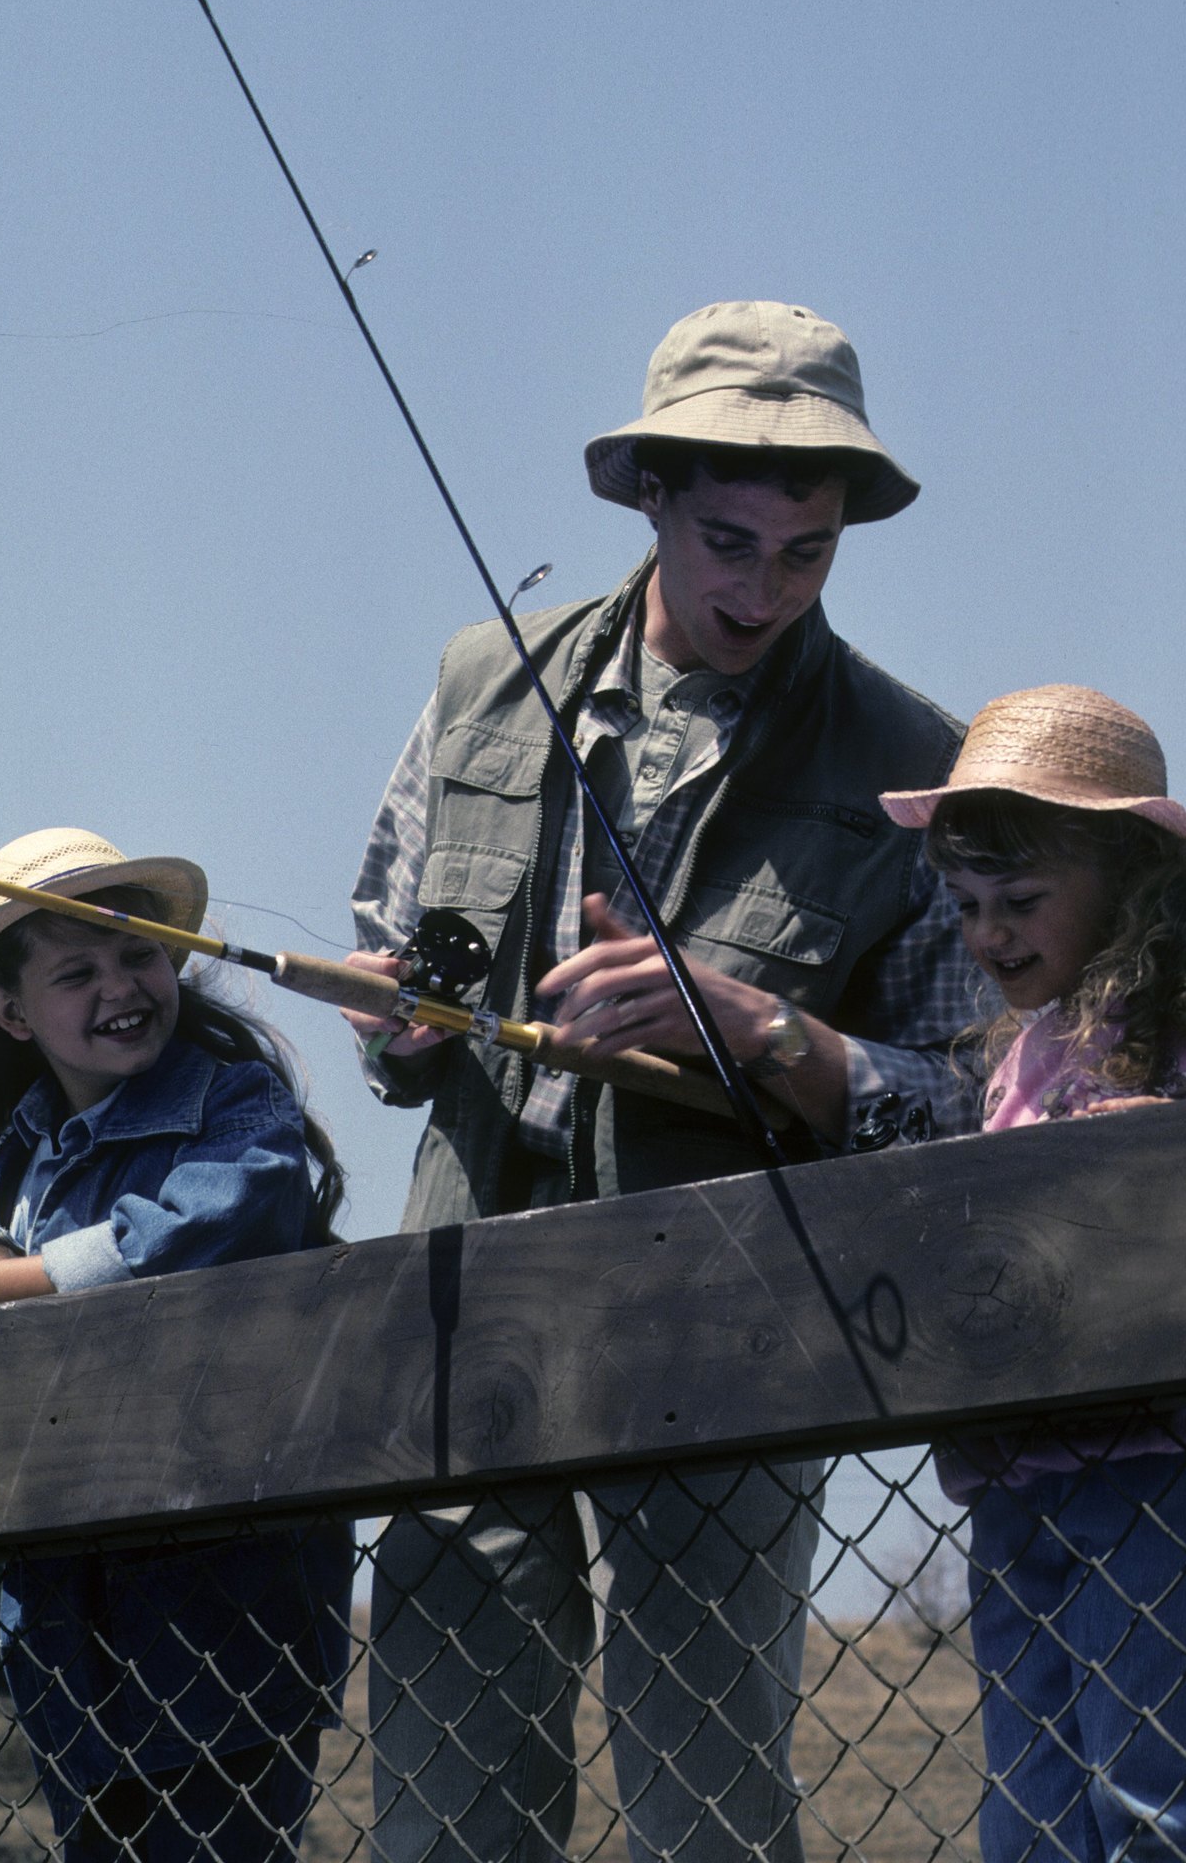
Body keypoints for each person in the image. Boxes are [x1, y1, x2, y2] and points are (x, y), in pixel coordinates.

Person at [348, 301, 978, 1861]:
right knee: (445, 1794)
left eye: (805, 552)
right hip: (464, 1311)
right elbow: (410, 939)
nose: (761, 587)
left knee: (708, 1801)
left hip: (734, 1327)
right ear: (648, 499)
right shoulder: (481, 684)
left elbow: (965, 1104)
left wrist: (752, 1030)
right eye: (727, 539)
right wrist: (409, 1018)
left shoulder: (912, 760)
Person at [0, 828, 355, 1863]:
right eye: (76, 970)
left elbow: (216, 1219)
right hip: (67, 1638)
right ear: (13, 1013)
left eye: (136, 950)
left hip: (228, 1612)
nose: (120, 983)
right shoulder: (17, 1165)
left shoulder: (232, 1105)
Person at [881, 684, 1186, 1863]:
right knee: (1033, 1811)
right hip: (1015, 1475)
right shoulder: (1020, 1054)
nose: (988, 933)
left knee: (1163, 1795)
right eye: (965, 904)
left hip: (1168, 1467)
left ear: (1131, 879)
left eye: (1021, 899)